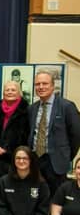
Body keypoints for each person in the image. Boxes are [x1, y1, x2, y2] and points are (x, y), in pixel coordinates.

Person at [28, 68, 80, 196]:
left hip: (56, 163)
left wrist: (66, 155)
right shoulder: (32, 108)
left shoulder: (67, 106)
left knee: (56, 199)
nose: (41, 87)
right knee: (36, 197)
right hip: (36, 160)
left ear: (52, 86)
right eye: (37, 84)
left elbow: (76, 135)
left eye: (44, 83)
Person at [0, 80, 30, 181]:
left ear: (19, 93)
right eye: (7, 90)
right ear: (3, 93)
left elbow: (26, 136)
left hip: (13, 158)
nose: (10, 92)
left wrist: (6, 150)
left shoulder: (26, 110)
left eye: (13, 90)